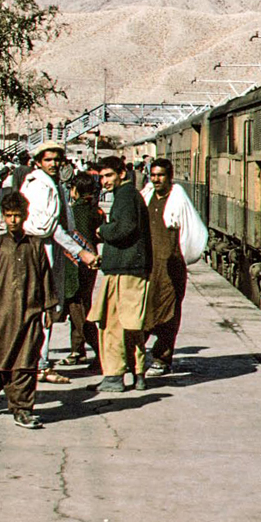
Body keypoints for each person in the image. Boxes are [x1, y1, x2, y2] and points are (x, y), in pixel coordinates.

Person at [0, 192, 58, 429]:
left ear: (25, 216)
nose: (12, 221)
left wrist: (49, 308)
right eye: (8, 216)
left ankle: (22, 409)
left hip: (30, 315)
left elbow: (46, 279)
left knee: (26, 362)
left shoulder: (35, 246)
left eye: (17, 216)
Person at [20, 141, 98, 384]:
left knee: (48, 306)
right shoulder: (40, 186)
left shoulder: (51, 183)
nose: (53, 164)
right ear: (39, 161)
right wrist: (81, 252)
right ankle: (40, 364)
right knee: (46, 305)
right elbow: (48, 227)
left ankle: (39, 361)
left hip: (50, 249)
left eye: (57, 159)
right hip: (41, 249)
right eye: (48, 160)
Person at [88, 156, 152, 392]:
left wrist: (102, 230)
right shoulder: (132, 195)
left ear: (121, 174)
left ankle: (114, 377)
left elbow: (124, 227)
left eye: (109, 176)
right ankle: (139, 374)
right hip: (134, 269)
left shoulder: (125, 196)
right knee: (132, 325)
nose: (104, 181)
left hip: (123, 270)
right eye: (102, 176)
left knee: (112, 325)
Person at [140, 158, 208, 377]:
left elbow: (191, 233)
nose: (156, 179)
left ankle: (162, 358)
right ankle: (138, 355)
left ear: (169, 177)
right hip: (149, 265)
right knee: (145, 309)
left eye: (160, 175)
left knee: (168, 313)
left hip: (171, 266)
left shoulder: (177, 201)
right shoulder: (148, 197)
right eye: (153, 175)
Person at [59, 171, 103, 367]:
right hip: (91, 264)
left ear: (75, 190)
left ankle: (100, 351)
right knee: (82, 305)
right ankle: (77, 351)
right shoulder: (96, 210)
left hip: (74, 266)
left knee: (77, 310)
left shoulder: (74, 211)